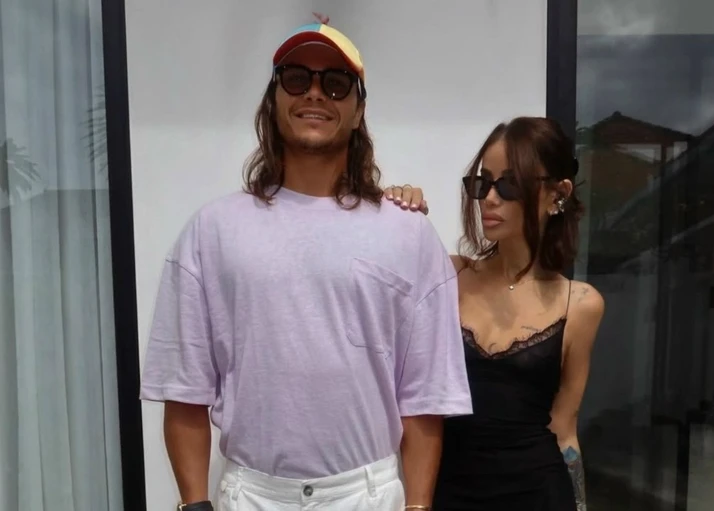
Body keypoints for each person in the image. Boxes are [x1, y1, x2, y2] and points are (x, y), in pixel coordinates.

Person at [139, 20, 472, 511]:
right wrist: (194, 504)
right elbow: (184, 387)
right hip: (252, 495)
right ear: (273, 101)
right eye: (296, 79)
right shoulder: (211, 231)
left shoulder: (408, 233)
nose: (315, 93)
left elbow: (424, 397)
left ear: (358, 111)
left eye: (336, 83)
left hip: (367, 495)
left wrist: (418, 506)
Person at [385, 117, 605, 510]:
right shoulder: (448, 275)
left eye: (509, 184)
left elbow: (564, 429)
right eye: (482, 182)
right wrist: (391, 213)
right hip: (449, 493)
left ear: (557, 194)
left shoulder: (581, 304)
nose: (489, 198)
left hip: (539, 495)